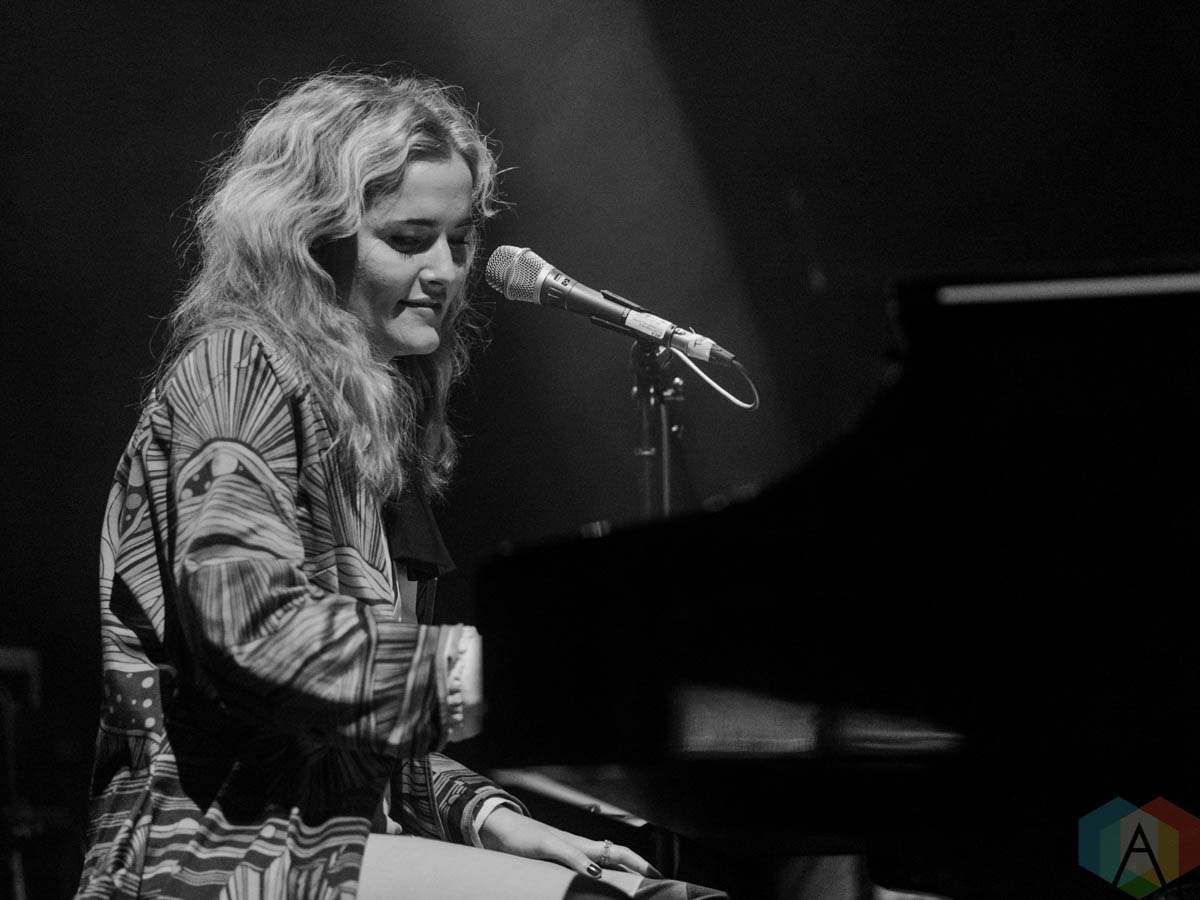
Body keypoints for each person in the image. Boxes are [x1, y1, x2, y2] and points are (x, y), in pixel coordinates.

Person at [74, 70, 728, 900]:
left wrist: (491, 818)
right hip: (208, 857)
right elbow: (252, 632)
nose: (447, 271)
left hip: (333, 845)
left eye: (459, 240)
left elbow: (360, 730)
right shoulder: (238, 370)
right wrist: (507, 674)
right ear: (310, 240)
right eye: (410, 238)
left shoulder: (375, 422)